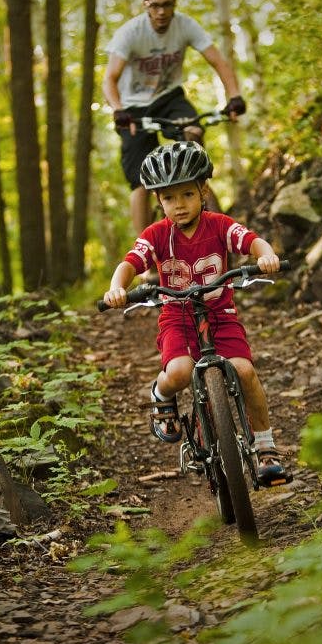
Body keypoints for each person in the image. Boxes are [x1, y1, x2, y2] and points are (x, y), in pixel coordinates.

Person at [102, 141, 291, 486]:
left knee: (245, 371)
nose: (179, 205)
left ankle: (266, 448)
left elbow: (251, 241)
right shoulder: (157, 235)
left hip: (220, 314)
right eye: (169, 198)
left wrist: (266, 256)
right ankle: (161, 396)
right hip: (177, 318)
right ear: (158, 201)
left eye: (187, 194)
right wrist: (117, 287)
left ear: (203, 190)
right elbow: (130, 263)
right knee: (178, 371)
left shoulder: (219, 224)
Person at [102, 0, 247, 239]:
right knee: (141, 182)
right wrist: (118, 110)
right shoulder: (130, 33)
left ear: (174, 2)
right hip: (132, 108)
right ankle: (147, 258)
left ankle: (217, 236)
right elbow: (109, 79)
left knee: (194, 136)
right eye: (154, 6)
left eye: (166, 4)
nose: (161, 12)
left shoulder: (186, 25)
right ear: (145, 4)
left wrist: (235, 96)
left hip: (169, 99)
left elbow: (218, 62)